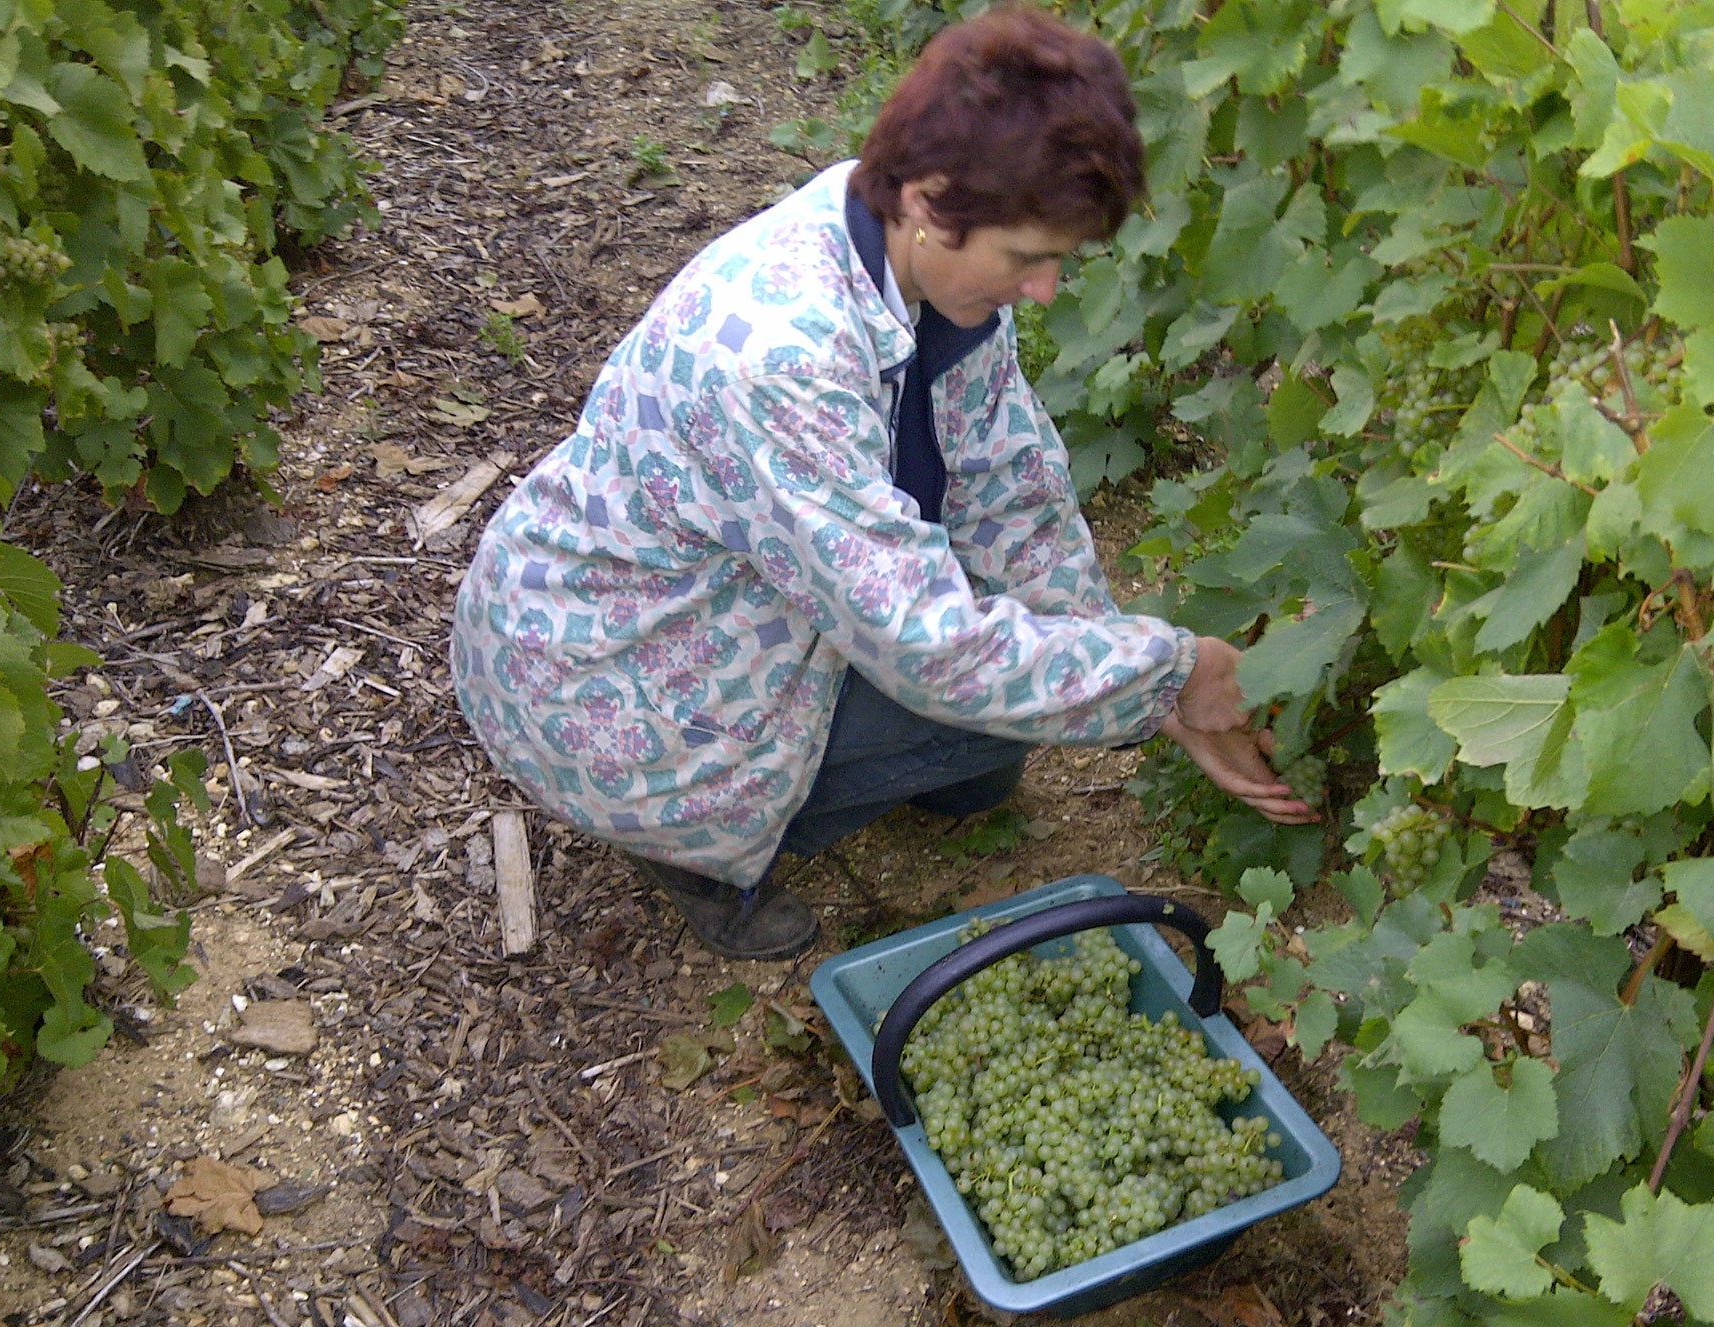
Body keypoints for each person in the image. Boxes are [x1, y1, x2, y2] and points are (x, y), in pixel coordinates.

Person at [450, 5, 1313, 961]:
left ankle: (847, 775)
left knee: (993, 741)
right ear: (931, 198)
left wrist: (1125, 664)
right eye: (1030, 258)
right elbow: (927, 650)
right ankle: (691, 849)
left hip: (702, 617)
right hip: (605, 685)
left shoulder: (903, 248)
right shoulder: (777, 353)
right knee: (977, 710)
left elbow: (1008, 485)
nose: (1046, 292)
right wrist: (1169, 676)